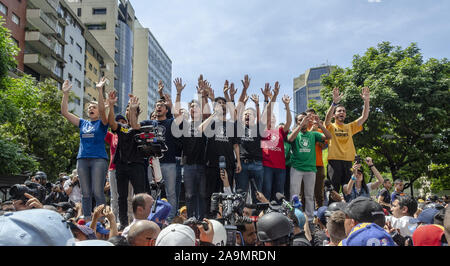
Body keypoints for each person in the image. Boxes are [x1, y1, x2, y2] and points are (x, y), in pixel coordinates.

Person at [129, 81, 181, 221]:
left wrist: (173, 101)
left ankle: (169, 219)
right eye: (157, 106)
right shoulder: (149, 123)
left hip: (169, 163)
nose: (158, 107)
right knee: (152, 192)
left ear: (166, 110)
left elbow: (179, 118)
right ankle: (152, 217)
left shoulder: (170, 122)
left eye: (161, 106)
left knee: (171, 193)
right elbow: (134, 125)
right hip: (153, 162)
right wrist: (133, 109)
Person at [61, 78, 109, 222]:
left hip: (99, 159)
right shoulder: (83, 123)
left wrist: (100, 90)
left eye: (94, 107)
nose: (91, 109)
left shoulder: (103, 122)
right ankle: (87, 219)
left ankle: (102, 219)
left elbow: (102, 109)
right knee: (85, 192)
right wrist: (65, 93)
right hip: (82, 159)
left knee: (97, 191)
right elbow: (64, 112)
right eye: (89, 108)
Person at [106, 91, 150, 228]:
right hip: (121, 166)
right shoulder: (122, 128)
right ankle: (124, 224)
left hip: (137, 166)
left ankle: (141, 223)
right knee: (122, 197)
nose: (128, 110)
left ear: (136, 112)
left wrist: (132, 109)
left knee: (139, 196)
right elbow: (112, 123)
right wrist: (111, 106)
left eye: (130, 108)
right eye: (127, 109)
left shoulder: (141, 126)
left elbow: (134, 124)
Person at [198, 89, 241, 216]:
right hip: (212, 164)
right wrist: (213, 114)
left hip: (228, 164)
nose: (222, 105)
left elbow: (236, 145)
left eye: (224, 103)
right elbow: (200, 129)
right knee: (211, 194)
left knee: (227, 194)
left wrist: (238, 161)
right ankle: (210, 218)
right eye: (219, 103)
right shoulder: (211, 122)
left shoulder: (232, 125)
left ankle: (226, 217)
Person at [287, 112, 331, 225]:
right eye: (300, 120)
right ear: (297, 122)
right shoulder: (294, 133)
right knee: (294, 194)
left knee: (309, 195)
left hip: (310, 169)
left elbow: (329, 137)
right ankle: (293, 217)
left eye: (305, 119)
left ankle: (310, 219)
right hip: (296, 168)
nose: (303, 121)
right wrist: (300, 126)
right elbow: (290, 139)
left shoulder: (313, 134)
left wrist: (320, 125)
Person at [324, 87, 370, 193]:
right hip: (334, 161)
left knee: (348, 190)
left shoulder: (350, 127)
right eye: (339, 111)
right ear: (335, 115)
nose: (342, 112)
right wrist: (334, 103)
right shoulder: (330, 126)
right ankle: (333, 209)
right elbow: (327, 120)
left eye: (344, 111)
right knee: (333, 189)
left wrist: (366, 101)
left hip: (349, 162)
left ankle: (348, 208)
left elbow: (364, 116)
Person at [174, 76, 208, 219]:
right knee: (189, 195)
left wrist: (202, 95)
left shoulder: (205, 123)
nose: (193, 108)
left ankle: (201, 220)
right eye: (191, 106)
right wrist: (179, 93)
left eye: (196, 106)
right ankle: (191, 220)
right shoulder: (185, 124)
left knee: (202, 194)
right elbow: (176, 114)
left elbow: (207, 113)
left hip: (202, 165)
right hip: (187, 166)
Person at [234, 76, 265, 203]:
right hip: (242, 164)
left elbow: (262, 117)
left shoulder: (259, 128)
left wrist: (257, 105)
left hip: (257, 164)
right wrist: (244, 89)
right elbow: (238, 111)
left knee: (258, 195)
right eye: (245, 114)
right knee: (241, 194)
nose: (247, 115)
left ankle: (259, 220)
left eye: (249, 114)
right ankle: (241, 220)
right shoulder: (239, 127)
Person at [260, 82, 292, 200]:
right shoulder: (262, 131)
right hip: (267, 166)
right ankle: (266, 214)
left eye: (273, 117)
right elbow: (267, 112)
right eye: (269, 117)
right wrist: (274, 97)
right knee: (267, 192)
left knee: (279, 194)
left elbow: (289, 123)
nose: (271, 118)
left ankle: (278, 215)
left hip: (280, 167)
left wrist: (287, 106)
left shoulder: (279, 130)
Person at [305, 108, 328, 208]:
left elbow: (324, 146)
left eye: (313, 115)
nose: (311, 117)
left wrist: (319, 128)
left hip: (318, 164)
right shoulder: (302, 129)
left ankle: (319, 216)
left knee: (319, 193)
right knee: (305, 193)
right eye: (308, 115)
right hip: (305, 165)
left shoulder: (319, 130)